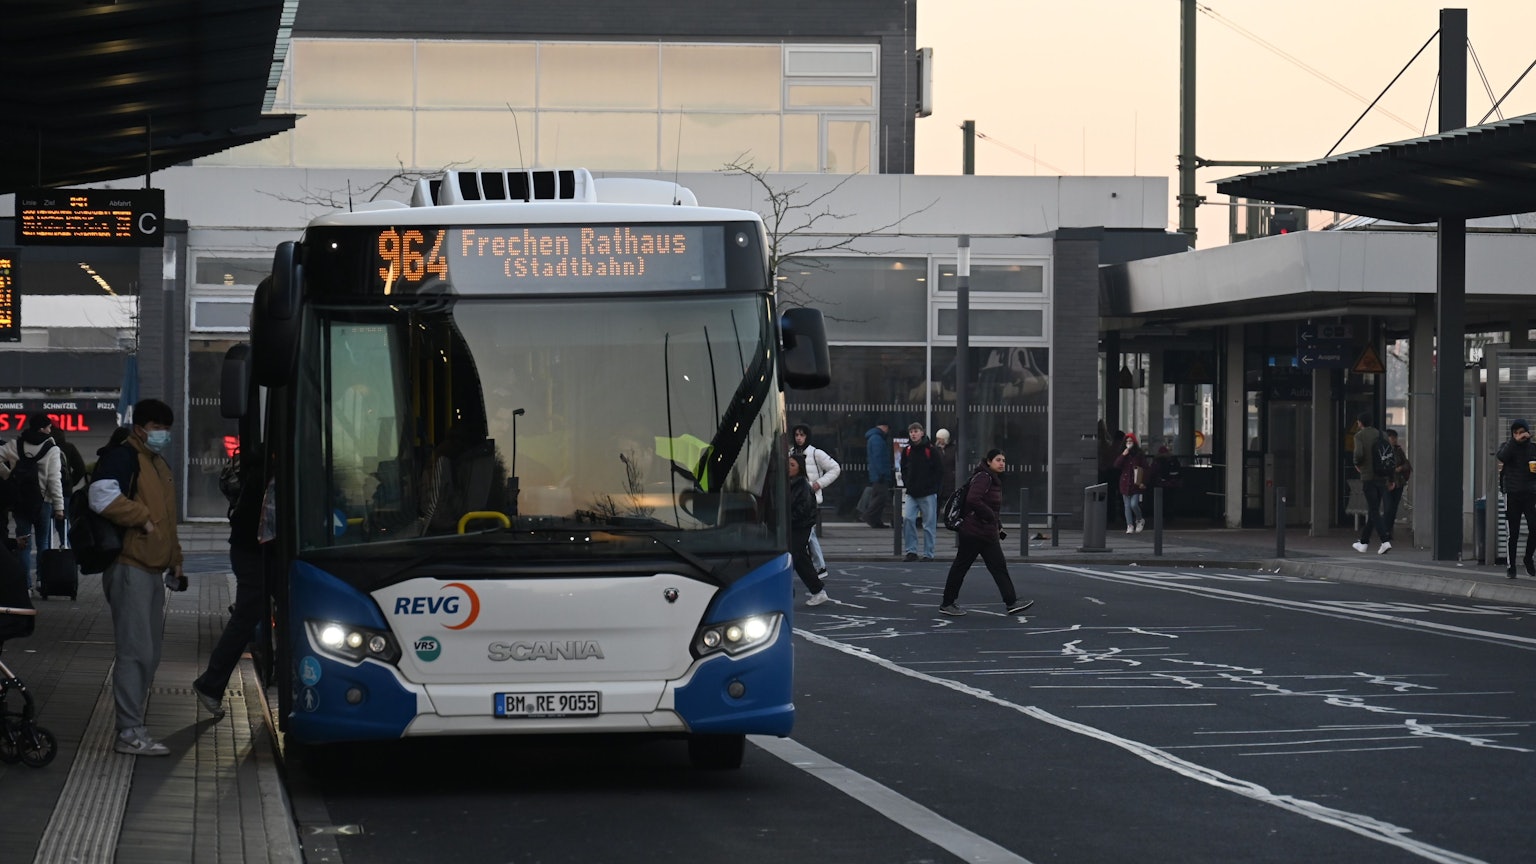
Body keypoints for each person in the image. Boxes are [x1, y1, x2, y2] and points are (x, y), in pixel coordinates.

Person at [91, 398, 185, 756]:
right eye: (159, 429)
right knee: (135, 651)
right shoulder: (123, 456)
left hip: (152, 567)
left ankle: (134, 726)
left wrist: (176, 558)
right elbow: (101, 497)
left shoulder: (156, 462)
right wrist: (140, 517)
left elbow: (169, 518)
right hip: (130, 566)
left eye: (167, 430)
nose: (164, 436)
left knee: (150, 653)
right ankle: (129, 731)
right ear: (141, 428)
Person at [193, 439, 265, 721]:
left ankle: (211, 684)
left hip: (247, 552)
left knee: (246, 619)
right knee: (244, 620)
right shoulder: (263, 478)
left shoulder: (254, 471)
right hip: (253, 554)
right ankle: (210, 684)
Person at [937, 449, 1033, 617]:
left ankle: (1011, 602)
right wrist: (989, 516)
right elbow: (973, 499)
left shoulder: (993, 479)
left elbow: (992, 508)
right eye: (998, 460)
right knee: (961, 567)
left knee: (998, 566)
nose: (1002, 463)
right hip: (974, 532)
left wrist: (998, 524)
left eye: (1003, 460)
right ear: (989, 462)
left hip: (986, 532)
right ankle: (947, 603)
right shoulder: (984, 477)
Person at [0, 413, 68, 595]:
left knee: (23, 542)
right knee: (43, 542)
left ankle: (25, 586)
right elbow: (55, 479)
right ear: (41, 429)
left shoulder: (16, 444)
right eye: (48, 427)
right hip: (43, 503)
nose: (50, 430)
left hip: (20, 501)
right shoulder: (51, 449)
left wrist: (9, 476)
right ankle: (42, 581)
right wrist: (59, 507)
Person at [790, 423, 840, 582]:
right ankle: (817, 567)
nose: (799, 438)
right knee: (807, 535)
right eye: (797, 435)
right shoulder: (791, 453)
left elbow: (835, 468)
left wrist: (818, 484)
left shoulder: (816, 453)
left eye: (802, 435)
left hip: (810, 499)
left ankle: (819, 566)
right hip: (797, 499)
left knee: (809, 535)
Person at [1495, 418, 1536, 578]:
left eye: (1521, 432)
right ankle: (1511, 567)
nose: (1519, 435)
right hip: (1512, 494)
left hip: (1530, 494)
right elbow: (1502, 457)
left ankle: (1528, 559)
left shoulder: (1533, 448)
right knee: (1513, 532)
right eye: (1515, 433)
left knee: (1534, 527)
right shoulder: (1507, 447)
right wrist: (1514, 441)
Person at [787, 453, 829, 606]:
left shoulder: (803, 486)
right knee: (800, 560)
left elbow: (802, 511)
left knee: (791, 558)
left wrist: (787, 519)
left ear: (800, 469)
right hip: (794, 526)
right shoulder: (790, 483)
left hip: (800, 527)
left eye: (792, 465)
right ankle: (818, 591)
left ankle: (783, 591)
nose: (788, 468)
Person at [899, 422, 944, 561]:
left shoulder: (931, 450)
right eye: (911, 431)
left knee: (929, 525)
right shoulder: (907, 450)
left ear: (922, 432)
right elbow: (904, 468)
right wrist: (907, 483)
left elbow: (939, 470)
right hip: (912, 492)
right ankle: (911, 551)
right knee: (908, 519)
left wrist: (934, 487)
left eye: (916, 431)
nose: (913, 434)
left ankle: (928, 553)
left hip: (928, 492)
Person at [1350, 412, 1393, 555]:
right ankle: (1363, 542)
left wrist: (1357, 464)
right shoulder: (1382, 435)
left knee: (1374, 511)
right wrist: (1391, 478)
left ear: (1360, 423)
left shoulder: (1359, 436)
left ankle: (1385, 541)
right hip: (1382, 476)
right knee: (1373, 510)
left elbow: (1359, 454)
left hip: (1368, 477)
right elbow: (1389, 457)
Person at [859, 421, 894, 529]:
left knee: (877, 496)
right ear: (884, 427)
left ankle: (876, 521)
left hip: (877, 474)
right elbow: (878, 458)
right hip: (880, 474)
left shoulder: (874, 438)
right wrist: (882, 473)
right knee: (881, 497)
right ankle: (869, 516)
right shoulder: (877, 439)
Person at [1381, 429, 1412, 548]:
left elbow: (1407, 464)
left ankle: (1388, 531)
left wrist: (1400, 468)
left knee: (1393, 509)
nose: (1394, 440)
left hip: (1398, 483)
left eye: (1395, 438)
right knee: (1388, 507)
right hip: (1386, 484)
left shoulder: (1398, 451)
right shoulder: (1382, 451)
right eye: (1392, 437)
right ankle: (1384, 532)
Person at [1114, 433, 1149, 534]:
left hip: (1136, 483)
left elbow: (1145, 468)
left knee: (1134, 504)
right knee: (1127, 506)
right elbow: (1116, 465)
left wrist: (1143, 482)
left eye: (1130, 441)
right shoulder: (1123, 453)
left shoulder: (1139, 454)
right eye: (1127, 442)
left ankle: (1139, 519)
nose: (1129, 443)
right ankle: (1129, 525)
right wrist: (1123, 455)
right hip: (1125, 483)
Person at [934, 428, 957, 503]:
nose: (938, 441)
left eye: (940, 439)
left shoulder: (953, 449)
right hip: (939, 483)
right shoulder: (935, 450)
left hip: (950, 482)